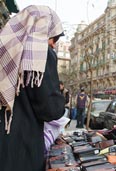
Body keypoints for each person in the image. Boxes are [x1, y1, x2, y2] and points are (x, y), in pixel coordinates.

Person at [0, 5, 65, 171]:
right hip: (22, 147)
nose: (53, 44)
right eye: (54, 39)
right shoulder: (39, 53)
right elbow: (50, 110)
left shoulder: (5, 49)